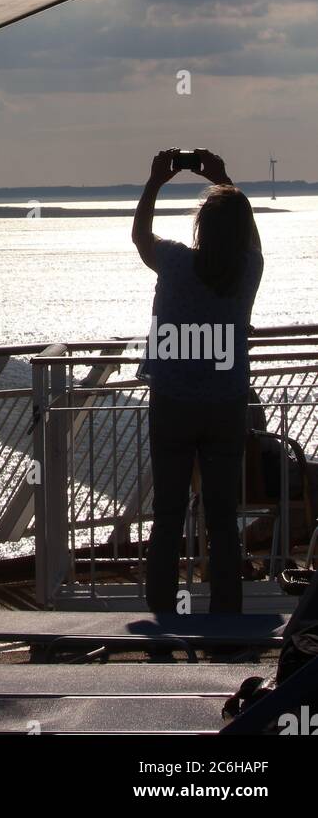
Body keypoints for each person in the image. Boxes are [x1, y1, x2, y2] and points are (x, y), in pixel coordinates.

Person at [132, 149, 263, 614]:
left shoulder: (174, 261)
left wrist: (154, 183)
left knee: (167, 515)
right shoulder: (247, 270)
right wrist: (226, 180)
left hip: (172, 400)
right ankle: (226, 617)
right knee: (223, 518)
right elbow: (251, 243)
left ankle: (164, 615)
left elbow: (141, 237)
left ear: (201, 228)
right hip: (226, 403)